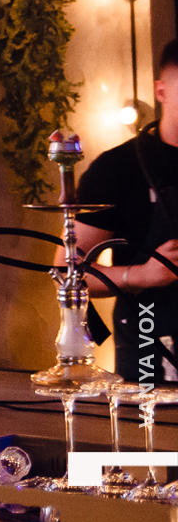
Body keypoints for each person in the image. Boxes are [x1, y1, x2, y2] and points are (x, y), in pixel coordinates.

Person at [65, 38, 178, 384]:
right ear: (161, 91)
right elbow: (68, 272)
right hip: (151, 344)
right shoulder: (118, 168)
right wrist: (141, 275)